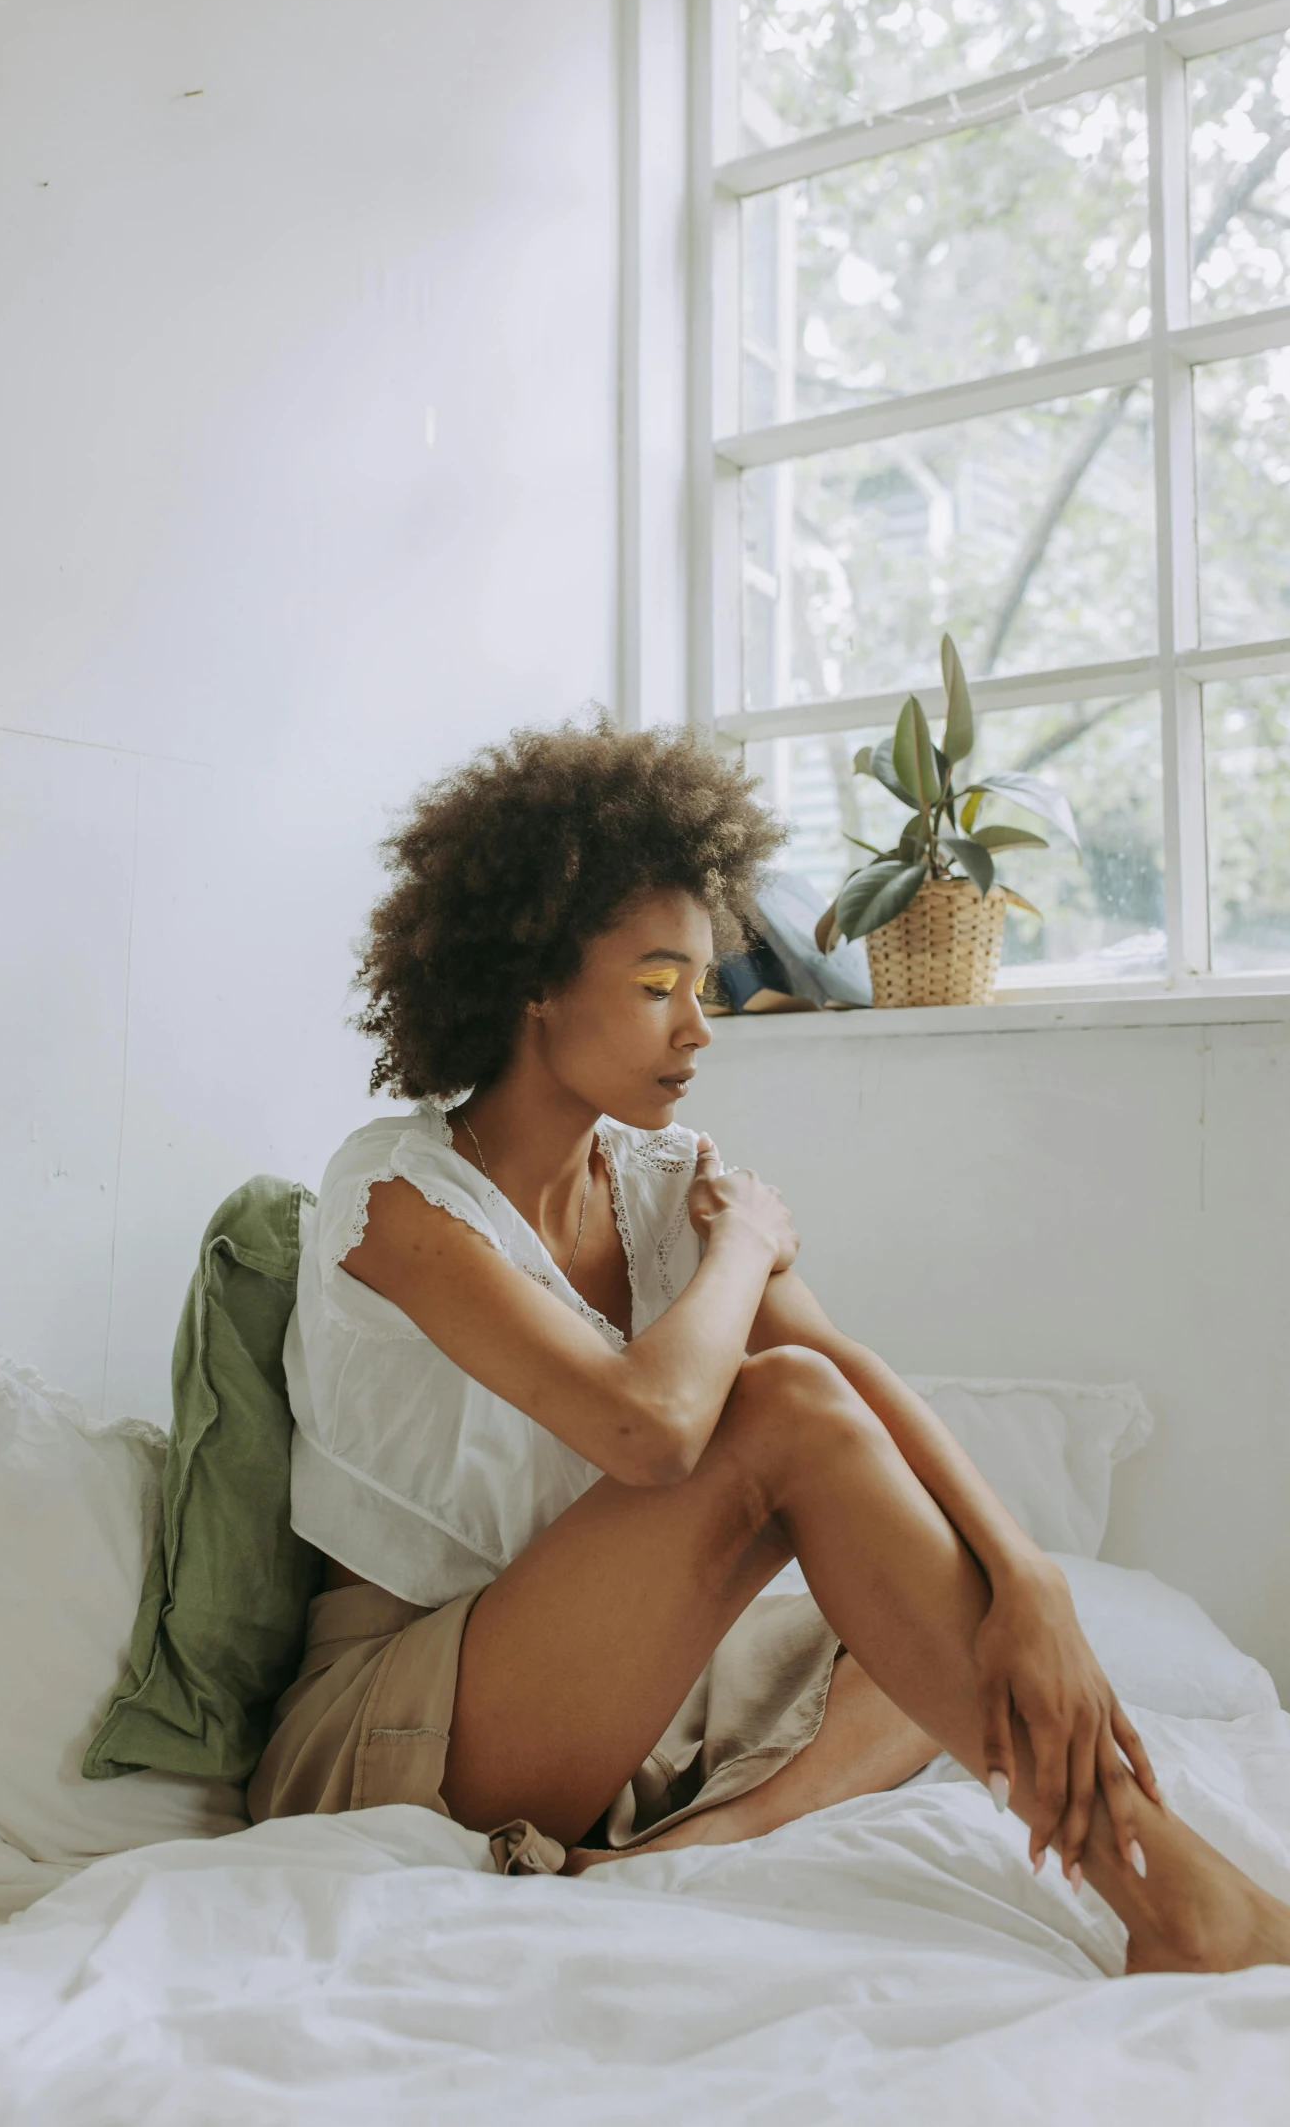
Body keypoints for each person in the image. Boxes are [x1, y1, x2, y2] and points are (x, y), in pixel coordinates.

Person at [249, 718, 1290, 1972]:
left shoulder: (660, 1180)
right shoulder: (398, 1193)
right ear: (529, 976)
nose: (698, 1026)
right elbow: (656, 1430)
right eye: (654, 984)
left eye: (703, 983)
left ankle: (700, 1844)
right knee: (782, 1416)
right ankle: (1171, 1895)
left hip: (594, 1689)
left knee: (914, 1630)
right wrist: (742, 1249)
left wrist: (1029, 1576)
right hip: (398, 1721)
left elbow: (854, 1384)